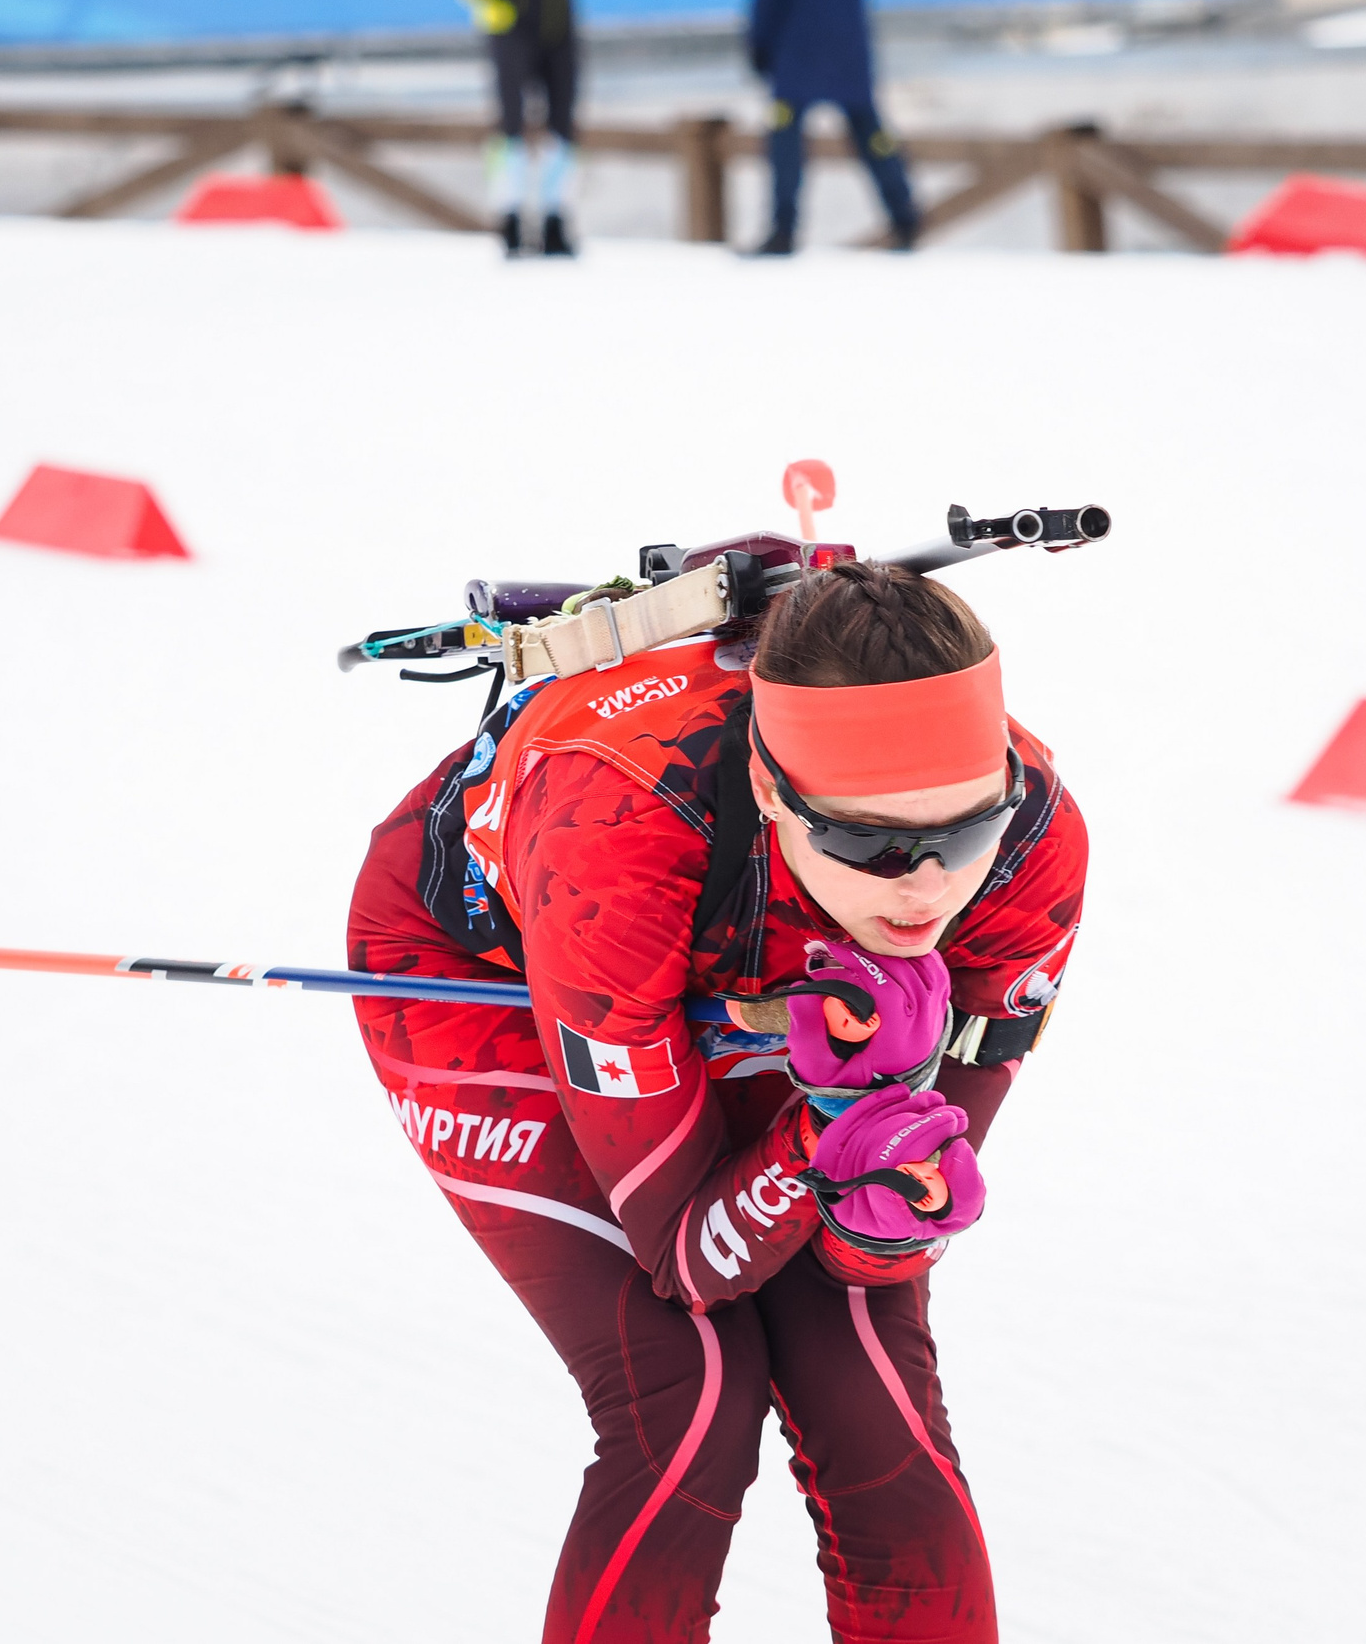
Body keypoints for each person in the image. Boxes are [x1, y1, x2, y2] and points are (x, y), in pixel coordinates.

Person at [349, 559, 1087, 1642]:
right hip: (499, 976)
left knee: (871, 1396)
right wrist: (824, 1126)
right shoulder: (617, 841)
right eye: (871, 841)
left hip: (752, 964)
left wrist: (880, 1188)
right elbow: (689, 1259)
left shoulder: (1034, 844)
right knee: (687, 1396)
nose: (928, 887)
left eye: (963, 832)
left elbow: (884, 1224)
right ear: (777, 793)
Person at [748, 0, 923, 253]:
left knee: (785, 131)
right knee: (868, 127)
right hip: (845, 31)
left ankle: (783, 227)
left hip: (796, 38)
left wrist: (760, 40)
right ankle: (904, 213)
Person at [454, 0, 583, 257]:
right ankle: (509, 217)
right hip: (511, 23)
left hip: (558, 20)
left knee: (563, 123)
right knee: (510, 123)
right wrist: (490, 1)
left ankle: (555, 218)